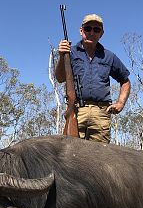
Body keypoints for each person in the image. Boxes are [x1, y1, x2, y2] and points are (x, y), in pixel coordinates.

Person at [55, 13, 131, 143]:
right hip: (77, 111)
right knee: (71, 154)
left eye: (96, 30)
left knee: (101, 156)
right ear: (81, 31)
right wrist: (62, 56)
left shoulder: (109, 56)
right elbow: (60, 78)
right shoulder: (70, 52)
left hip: (101, 114)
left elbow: (125, 80)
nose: (91, 32)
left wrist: (120, 103)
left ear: (101, 33)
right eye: (88, 28)